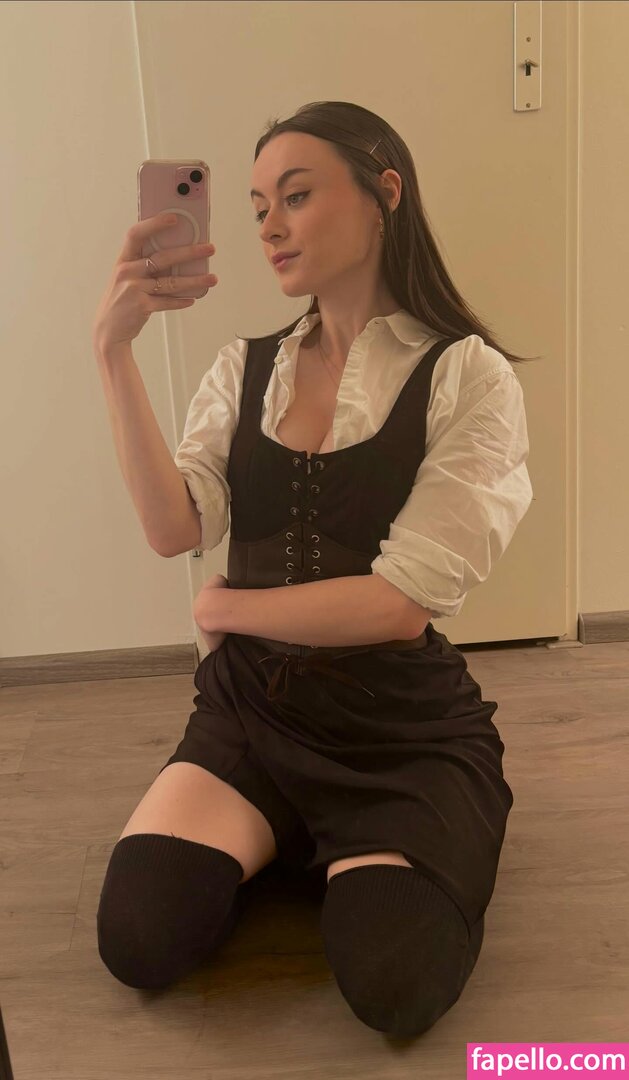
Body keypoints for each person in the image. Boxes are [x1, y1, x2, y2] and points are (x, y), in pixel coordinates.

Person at [93, 101, 536, 1038]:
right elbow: (174, 529)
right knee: (139, 938)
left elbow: (398, 605)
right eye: (257, 206)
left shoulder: (467, 376)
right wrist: (114, 351)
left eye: (295, 197)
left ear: (383, 194)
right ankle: (298, 839)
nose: (268, 227)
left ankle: (352, 848)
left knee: (395, 984)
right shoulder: (244, 368)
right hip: (252, 713)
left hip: (393, 729)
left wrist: (226, 608)